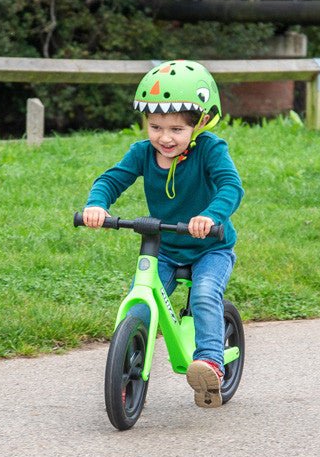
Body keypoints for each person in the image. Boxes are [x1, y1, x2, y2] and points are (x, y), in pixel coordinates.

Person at [82, 60, 243, 407]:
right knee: (139, 306)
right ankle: (124, 375)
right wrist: (97, 205)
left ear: (199, 123)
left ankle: (211, 363)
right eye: (155, 126)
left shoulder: (211, 150)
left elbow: (231, 187)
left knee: (202, 295)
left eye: (176, 129)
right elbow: (111, 180)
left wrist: (210, 216)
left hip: (210, 246)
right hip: (165, 246)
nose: (164, 138)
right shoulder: (142, 153)